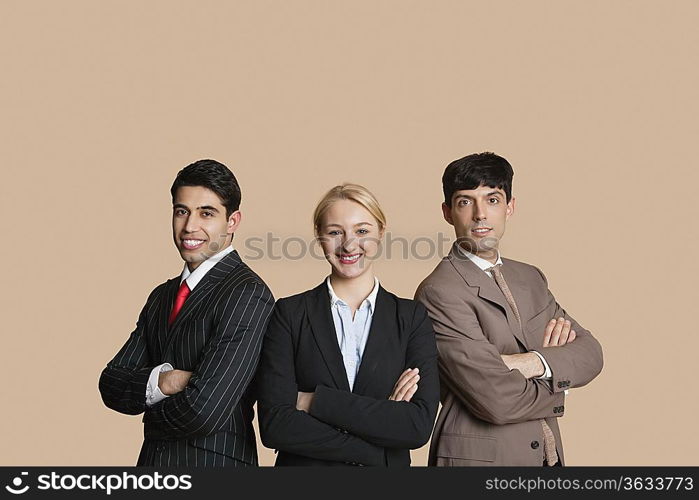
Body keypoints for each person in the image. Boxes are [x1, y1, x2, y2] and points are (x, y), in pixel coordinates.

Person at [415, 152, 603, 466]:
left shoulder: (530, 278)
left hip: (547, 457)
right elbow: (495, 399)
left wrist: (531, 362)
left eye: (492, 200)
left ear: (509, 207)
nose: (480, 215)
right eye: (465, 202)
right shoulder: (439, 292)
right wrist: (560, 384)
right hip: (481, 461)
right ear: (447, 212)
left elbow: (591, 353)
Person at [99, 159, 274, 466]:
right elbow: (111, 384)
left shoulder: (247, 293)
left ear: (233, 221)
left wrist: (147, 413)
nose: (190, 226)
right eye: (182, 211)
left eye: (207, 213)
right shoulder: (161, 296)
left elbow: (205, 411)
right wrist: (166, 381)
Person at [257, 184, 439, 466]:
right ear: (320, 237)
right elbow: (275, 425)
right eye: (334, 232)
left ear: (381, 232)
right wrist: (377, 436)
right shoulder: (289, 314)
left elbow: (416, 425)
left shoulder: (411, 317)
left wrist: (314, 401)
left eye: (362, 231)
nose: (349, 244)